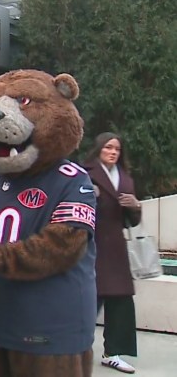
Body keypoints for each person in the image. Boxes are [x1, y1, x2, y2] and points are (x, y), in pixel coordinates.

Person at [83, 132, 142, 374]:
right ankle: (76, 348)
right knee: (87, 300)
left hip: (116, 247)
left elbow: (132, 221)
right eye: (108, 147)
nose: (113, 152)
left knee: (121, 300)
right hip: (91, 246)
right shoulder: (85, 173)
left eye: (117, 149)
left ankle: (113, 353)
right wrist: (91, 197)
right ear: (98, 149)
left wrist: (135, 206)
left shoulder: (126, 178)